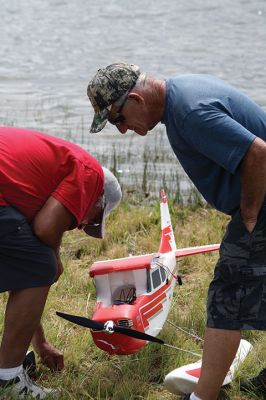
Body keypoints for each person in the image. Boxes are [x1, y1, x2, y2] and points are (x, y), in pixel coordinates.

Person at [87, 63, 266, 400]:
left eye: (117, 119)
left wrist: (250, 216)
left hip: (262, 205)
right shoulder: (182, 93)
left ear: (136, 99)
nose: (122, 130)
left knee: (226, 299)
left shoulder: (189, 113)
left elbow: (258, 154)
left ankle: (203, 397)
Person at [0, 126, 122, 398]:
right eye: (93, 218)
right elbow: (45, 229)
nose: (83, 225)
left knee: (30, 262)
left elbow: (23, 275)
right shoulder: (89, 173)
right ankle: (8, 380)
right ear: (98, 200)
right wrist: (54, 259)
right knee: (41, 264)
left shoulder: (38, 181)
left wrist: (40, 344)